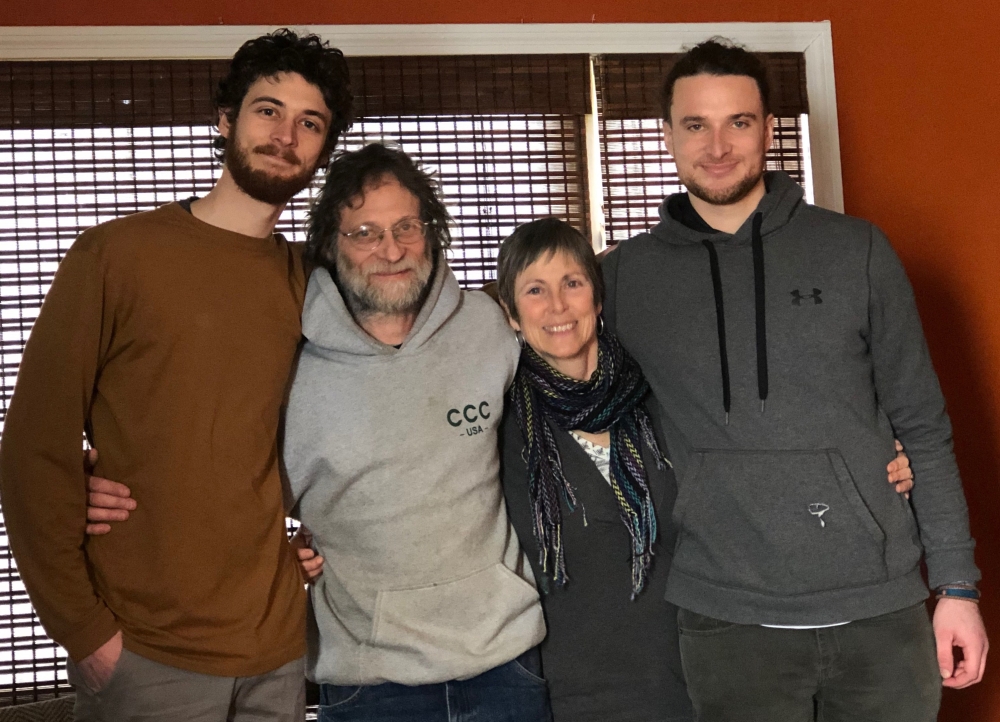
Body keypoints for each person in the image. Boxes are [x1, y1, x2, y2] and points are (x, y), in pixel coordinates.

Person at [600, 38, 988, 721]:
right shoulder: (624, 279)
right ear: (666, 136)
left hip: (881, 614)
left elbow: (923, 428)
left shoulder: (856, 251)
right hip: (725, 622)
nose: (717, 145)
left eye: (739, 122)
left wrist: (957, 587)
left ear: (769, 130)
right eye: (696, 124)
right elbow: (525, 345)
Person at [0, 29, 352, 721]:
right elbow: (32, 446)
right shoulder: (116, 256)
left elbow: (326, 433)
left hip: (277, 650)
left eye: (309, 123)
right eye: (267, 110)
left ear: (321, 150)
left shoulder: (313, 286)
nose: (286, 134)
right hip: (146, 650)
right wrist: (84, 630)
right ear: (225, 120)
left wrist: (322, 533)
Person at [490, 217, 914, 722]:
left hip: (702, 670)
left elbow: (761, 449)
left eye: (573, 283)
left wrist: (872, 460)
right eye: (535, 290)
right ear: (511, 312)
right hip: (576, 685)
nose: (557, 306)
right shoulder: (498, 425)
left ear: (597, 299)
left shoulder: (662, 396)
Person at [283, 142, 550, 721]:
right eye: (365, 232)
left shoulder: (489, 327)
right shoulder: (288, 369)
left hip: (506, 664)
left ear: (432, 232)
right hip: (368, 683)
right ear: (331, 243)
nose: (391, 249)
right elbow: (231, 496)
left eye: (407, 226)